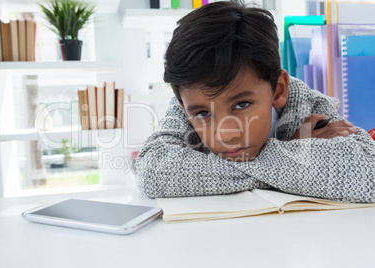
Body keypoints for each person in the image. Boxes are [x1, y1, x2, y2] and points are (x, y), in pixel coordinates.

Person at [135, 1, 375, 203]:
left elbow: (369, 172)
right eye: (203, 115)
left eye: (241, 105)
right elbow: (152, 171)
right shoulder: (187, 106)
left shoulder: (309, 108)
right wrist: (292, 152)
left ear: (278, 90)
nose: (226, 135)